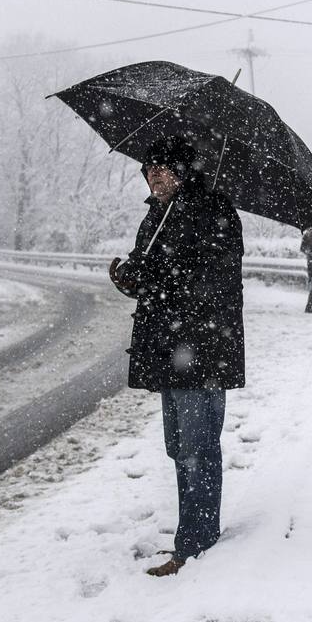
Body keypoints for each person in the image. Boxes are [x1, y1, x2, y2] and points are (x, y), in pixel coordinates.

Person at [108, 135, 244, 577]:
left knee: (197, 448)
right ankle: (194, 536)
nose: (154, 176)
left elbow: (213, 280)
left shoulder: (214, 212)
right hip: (169, 347)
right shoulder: (157, 216)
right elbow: (150, 270)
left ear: (184, 173)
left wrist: (156, 277)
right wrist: (129, 277)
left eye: (164, 169)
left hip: (202, 349)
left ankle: (196, 545)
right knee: (177, 447)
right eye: (149, 169)